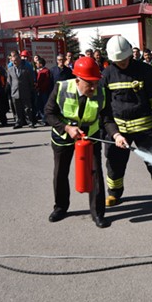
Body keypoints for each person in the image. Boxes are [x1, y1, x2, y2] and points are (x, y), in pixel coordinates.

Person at [102, 35, 152, 212]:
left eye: (124, 59)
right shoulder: (107, 75)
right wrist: (113, 132)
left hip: (145, 127)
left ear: (131, 54)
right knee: (114, 163)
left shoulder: (146, 71)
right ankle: (115, 192)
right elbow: (104, 108)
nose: (122, 63)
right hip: (119, 130)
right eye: (118, 61)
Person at [45, 57, 116, 228]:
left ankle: (97, 213)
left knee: (96, 173)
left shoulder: (102, 92)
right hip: (63, 136)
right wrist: (66, 128)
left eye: (95, 82)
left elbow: (107, 119)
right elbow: (49, 113)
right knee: (60, 172)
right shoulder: (61, 87)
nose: (93, 87)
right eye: (89, 83)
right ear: (77, 80)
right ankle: (60, 207)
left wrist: (116, 135)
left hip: (89, 136)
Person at [7, 52, 36, 129]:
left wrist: (30, 89)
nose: (14, 62)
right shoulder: (10, 70)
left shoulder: (25, 69)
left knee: (27, 108)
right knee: (17, 109)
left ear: (19, 60)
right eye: (13, 61)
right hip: (15, 92)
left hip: (25, 91)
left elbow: (30, 80)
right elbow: (9, 81)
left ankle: (30, 122)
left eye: (16, 60)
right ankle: (19, 122)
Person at [35, 57, 53, 124]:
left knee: (45, 105)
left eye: (37, 63)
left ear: (41, 64)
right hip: (40, 90)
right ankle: (43, 118)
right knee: (40, 105)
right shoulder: (40, 71)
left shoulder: (46, 71)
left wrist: (40, 88)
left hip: (44, 91)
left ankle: (46, 119)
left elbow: (46, 82)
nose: (36, 64)